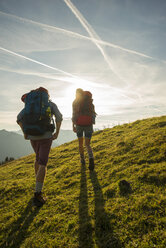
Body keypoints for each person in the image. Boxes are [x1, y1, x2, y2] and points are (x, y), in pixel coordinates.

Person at [17, 87, 63, 207]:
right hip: (46, 136)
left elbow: (19, 118)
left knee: (37, 159)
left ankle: (38, 183)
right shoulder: (50, 104)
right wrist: (57, 133)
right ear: (46, 95)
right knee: (43, 163)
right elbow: (59, 117)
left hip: (32, 136)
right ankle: (38, 193)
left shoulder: (29, 105)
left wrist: (25, 133)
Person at [72, 88, 96, 171]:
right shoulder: (90, 102)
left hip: (79, 124)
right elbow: (93, 113)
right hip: (89, 124)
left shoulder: (75, 102)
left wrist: (73, 126)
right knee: (87, 144)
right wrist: (92, 122)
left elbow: (74, 114)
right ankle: (91, 158)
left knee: (80, 144)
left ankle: (82, 160)